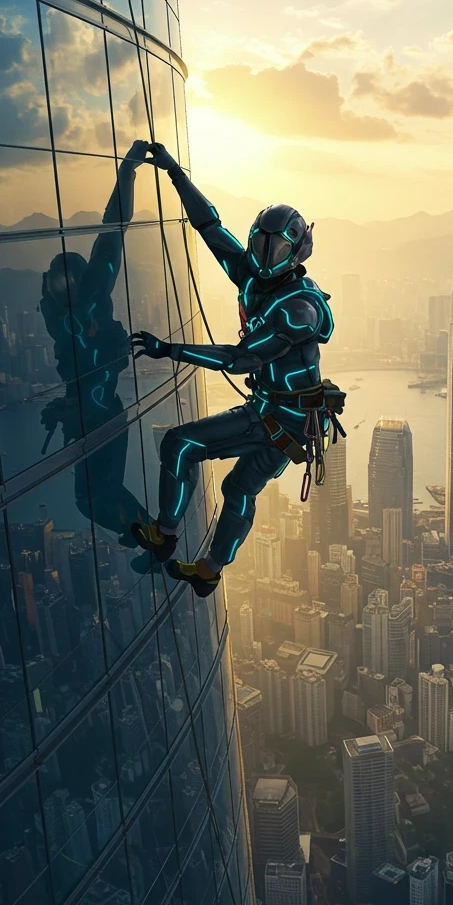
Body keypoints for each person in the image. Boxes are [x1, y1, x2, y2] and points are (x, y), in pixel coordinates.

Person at [129, 141, 339, 598]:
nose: (265, 255)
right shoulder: (252, 275)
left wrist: (170, 349)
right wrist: (174, 173)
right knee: (239, 486)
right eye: (261, 244)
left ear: (296, 251)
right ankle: (209, 569)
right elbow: (209, 227)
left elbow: (241, 359)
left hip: (282, 419)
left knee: (181, 444)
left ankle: (165, 535)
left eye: (275, 246)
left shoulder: (297, 310)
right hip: (283, 415)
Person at [40, 139, 150, 547]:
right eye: (56, 283)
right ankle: (150, 537)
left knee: (93, 497)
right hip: (95, 415)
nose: (63, 289)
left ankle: (153, 536)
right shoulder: (57, 317)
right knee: (92, 498)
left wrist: (128, 170)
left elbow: (111, 230)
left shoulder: (88, 302)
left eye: (69, 281)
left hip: (101, 415)